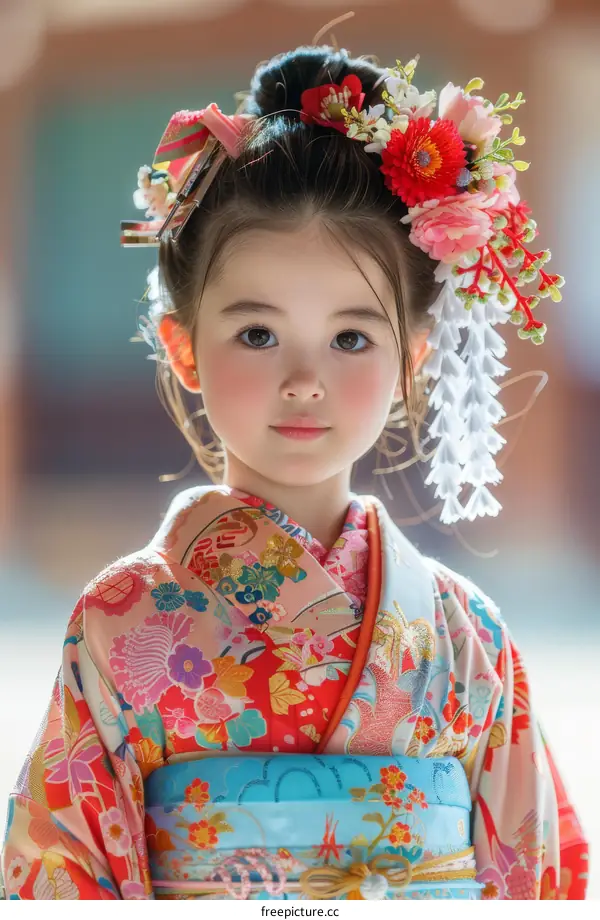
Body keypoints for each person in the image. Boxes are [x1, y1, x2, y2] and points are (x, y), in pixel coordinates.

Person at [0, 35, 588, 901]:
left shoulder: (468, 639)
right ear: (183, 348)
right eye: (258, 334)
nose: (305, 380)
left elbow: (538, 882)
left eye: (351, 337)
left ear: (413, 359)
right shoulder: (121, 624)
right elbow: (63, 878)